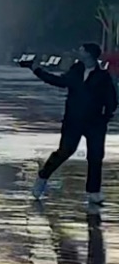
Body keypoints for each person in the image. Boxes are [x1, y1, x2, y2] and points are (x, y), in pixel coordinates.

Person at [24, 42, 118, 205]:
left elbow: (111, 98)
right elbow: (58, 81)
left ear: (89, 54)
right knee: (64, 151)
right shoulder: (76, 71)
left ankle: (94, 192)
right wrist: (37, 70)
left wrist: (106, 116)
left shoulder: (102, 76)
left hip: (95, 123)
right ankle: (43, 176)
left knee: (95, 157)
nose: (79, 52)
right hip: (73, 120)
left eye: (82, 50)